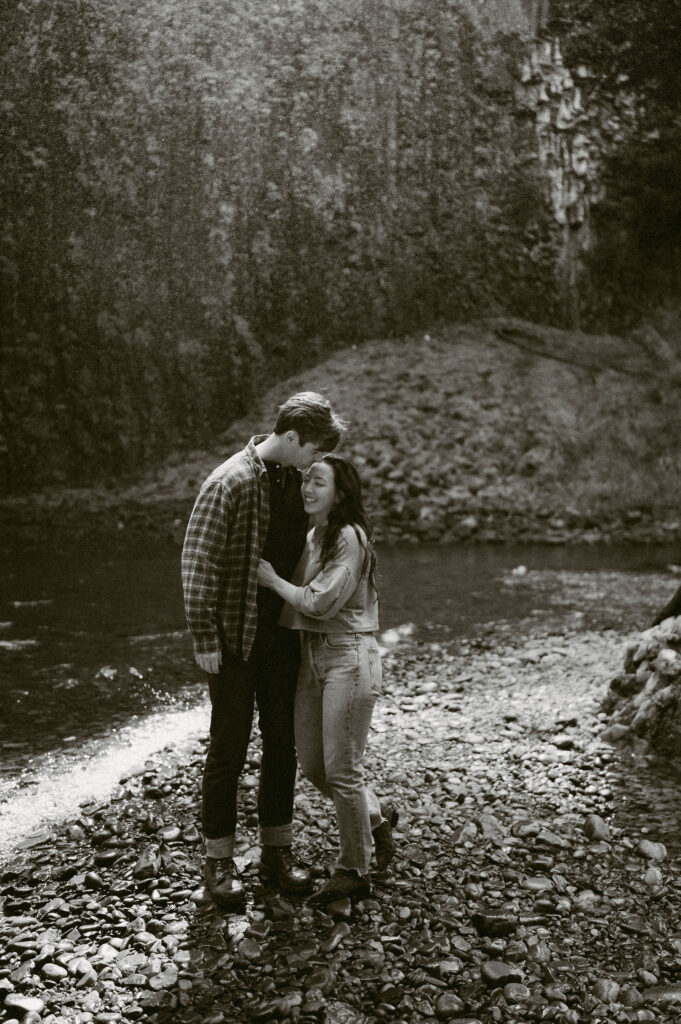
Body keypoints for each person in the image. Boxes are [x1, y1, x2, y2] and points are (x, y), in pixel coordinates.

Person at [181, 392, 346, 911]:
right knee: (228, 747)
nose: (313, 462)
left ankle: (276, 853)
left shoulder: (295, 480)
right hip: (233, 639)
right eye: (311, 449)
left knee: (283, 745)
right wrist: (204, 639)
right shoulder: (228, 481)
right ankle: (218, 861)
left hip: (281, 637)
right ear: (292, 437)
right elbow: (196, 563)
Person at [257, 455, 398, 904]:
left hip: (349, 658)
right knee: (315, 765)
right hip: (312, 657)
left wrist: (272, 580)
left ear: (339, 495)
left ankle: (353, 870)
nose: (307, 489)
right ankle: (375, 817)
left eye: (318, 483)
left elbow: (319, 604)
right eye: (306, 482)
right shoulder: (315, 534)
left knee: (342, 770)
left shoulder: (350, 539)